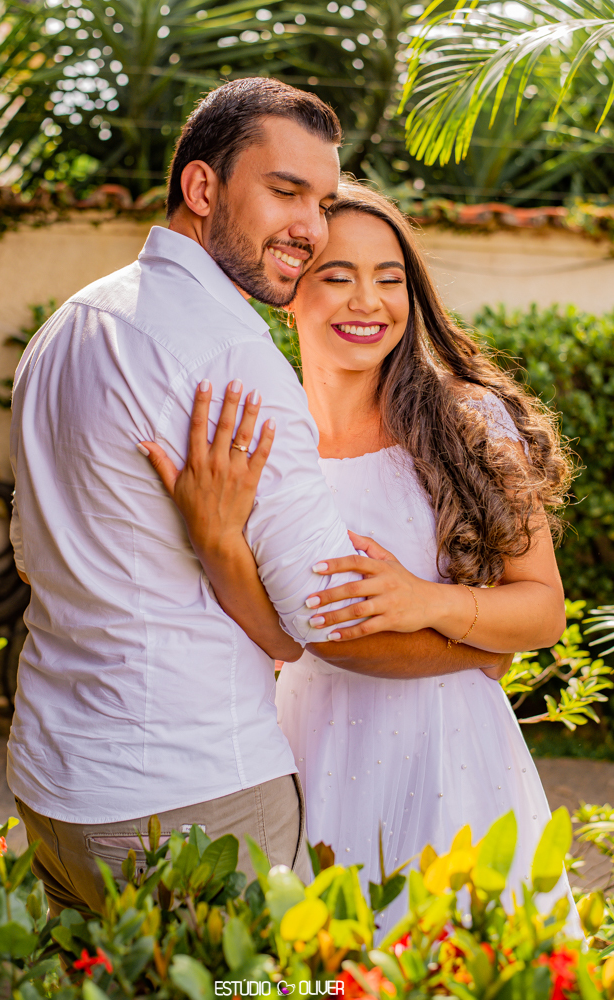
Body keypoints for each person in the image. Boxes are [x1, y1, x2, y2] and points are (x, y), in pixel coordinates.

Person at [8, 78, 507, 916]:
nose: (309, 229)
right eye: (285, 192)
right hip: (189, 799)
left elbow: (31, 556)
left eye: (320, 198)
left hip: (55, 790)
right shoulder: (229, 358)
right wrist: (476, 654)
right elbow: (328, 620)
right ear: (203, 188)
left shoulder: (68, 327)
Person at [140, 181, 577, 931]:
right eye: (337, 277)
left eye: (390, 278)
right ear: (289, 291)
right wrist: (215, 539)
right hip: (304, 741)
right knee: (323, 962)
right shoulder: (263, 436)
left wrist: (429, 602)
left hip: (452, 754)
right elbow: (273, 634)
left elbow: (542, 612)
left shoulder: (467, 422)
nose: (366, 302)